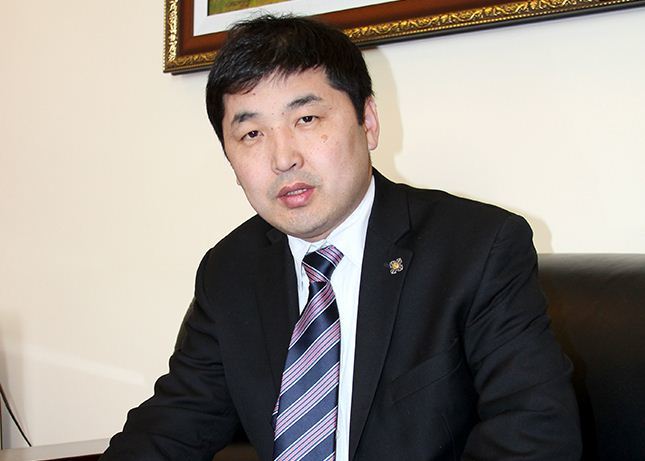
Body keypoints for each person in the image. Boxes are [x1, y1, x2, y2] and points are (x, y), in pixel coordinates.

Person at [102, 14, 581, 461]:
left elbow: (535, 433)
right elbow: (175, 423)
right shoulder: (230, 270)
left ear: (367, 122)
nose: (283, 158)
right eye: (251, 134)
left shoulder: (477, 247)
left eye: (307, 119)